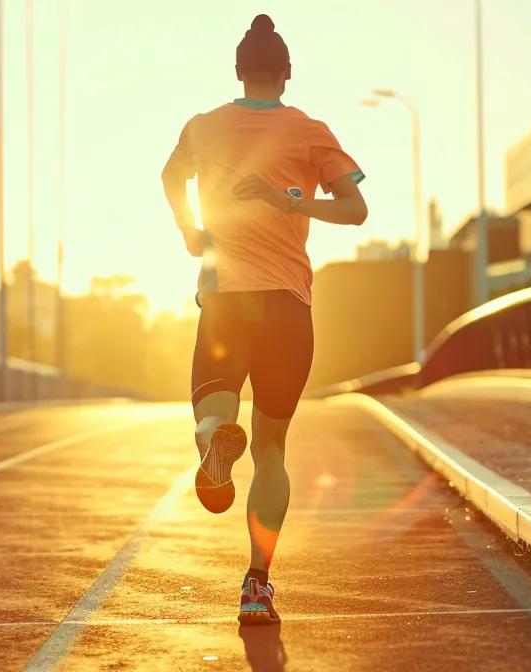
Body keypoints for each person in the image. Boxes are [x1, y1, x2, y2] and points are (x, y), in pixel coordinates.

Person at [159, 13, 368, 625]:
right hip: (287, 307)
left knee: (211, 412)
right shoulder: (311, 131)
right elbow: (356, 208)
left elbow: (171, 176)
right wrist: (293, 200)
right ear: (287, 73)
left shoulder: (202, 127)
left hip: (226, 300)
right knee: (272, 450)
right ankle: (256, 585)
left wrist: (192, 231)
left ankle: (214, 445)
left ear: (237, 73)